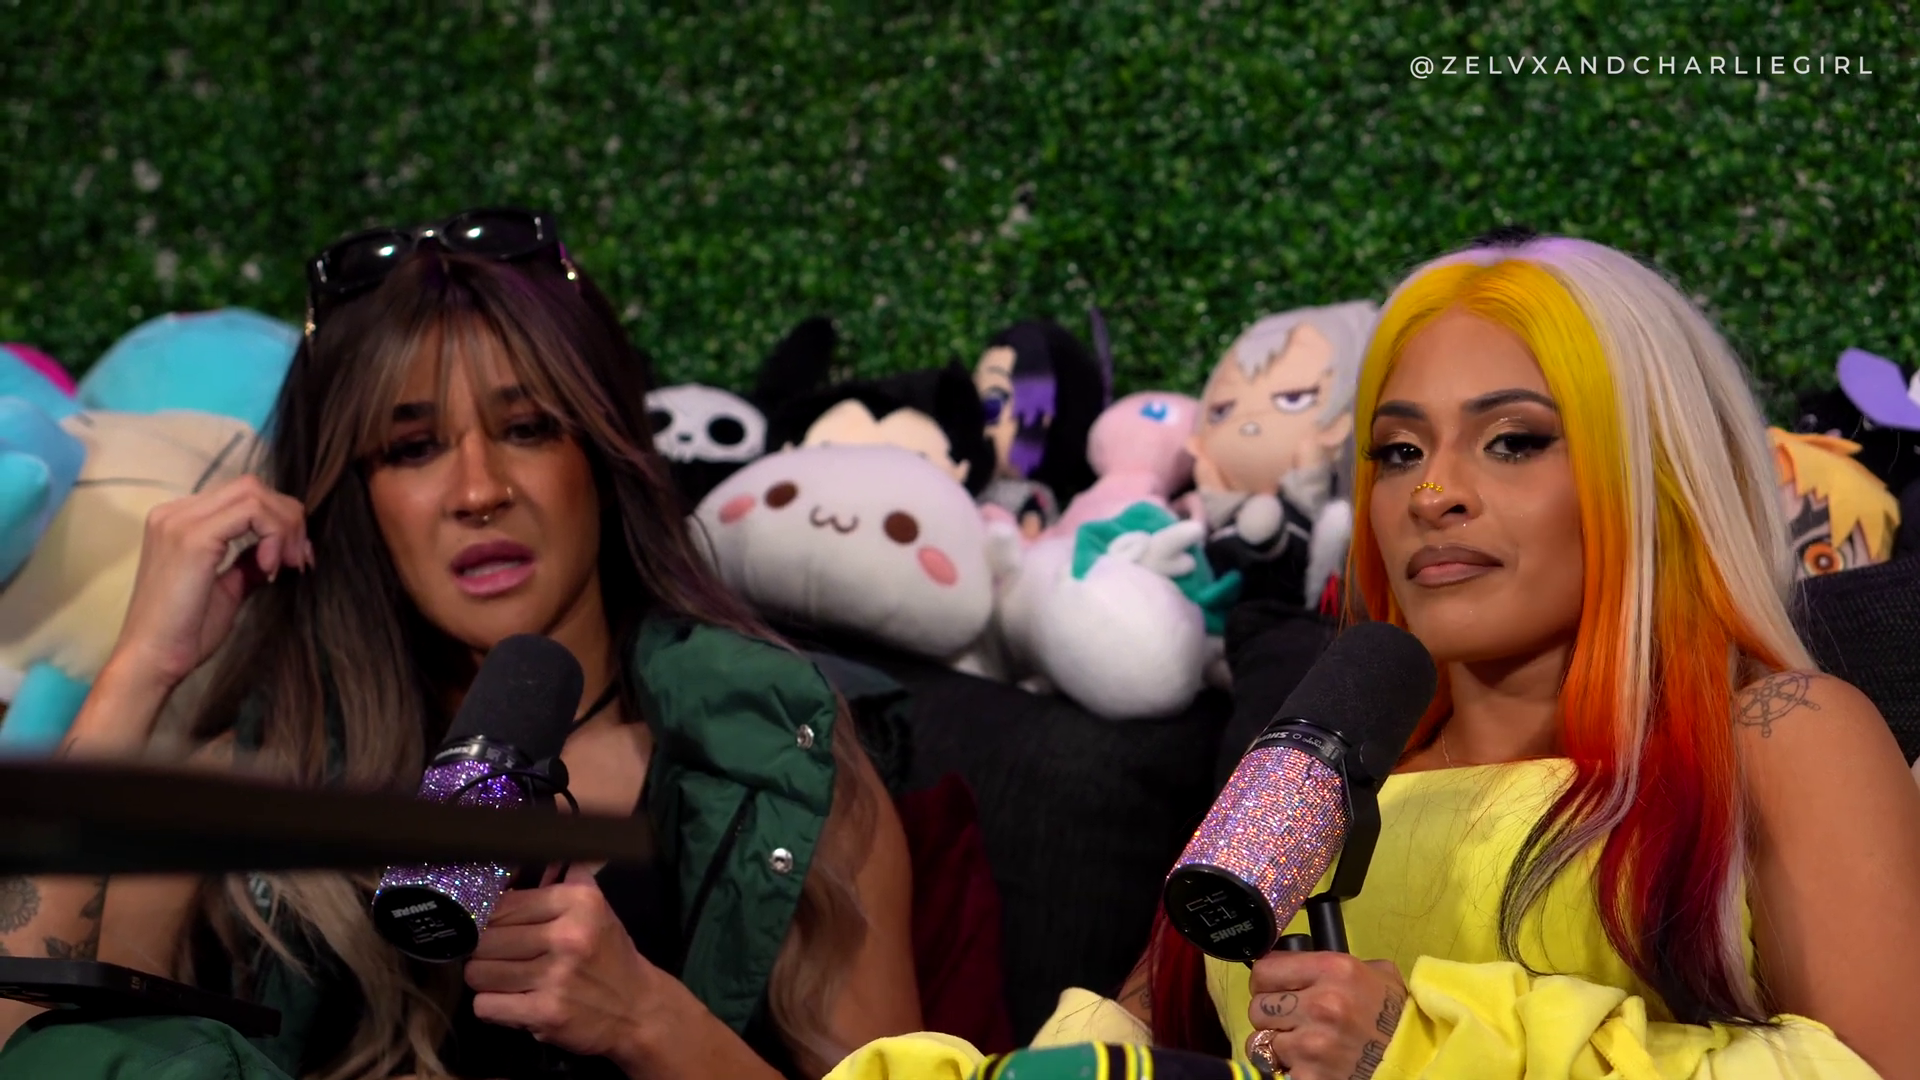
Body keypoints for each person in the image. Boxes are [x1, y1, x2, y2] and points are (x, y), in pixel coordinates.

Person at [822, 235, 1920, 1080]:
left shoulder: (1781, 734)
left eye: (1513, 440)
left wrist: (1424, 1045)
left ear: (1656, 474)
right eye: (1397, 451)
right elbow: (1129, 1037)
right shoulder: (1311, 778)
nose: (1432, 494)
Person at [0, 207, 921, 1080]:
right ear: (356, 500)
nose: (478, 491)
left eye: (527, 429)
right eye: (413, 447)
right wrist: (141, 668)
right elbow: (26, 1045)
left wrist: (654, 1024)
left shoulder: (779, 766)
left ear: (602, 458)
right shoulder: (247, 785)